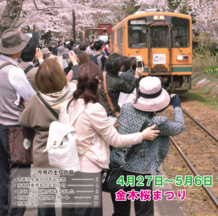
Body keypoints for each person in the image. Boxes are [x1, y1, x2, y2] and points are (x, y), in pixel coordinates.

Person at [59, 62, 160, 216]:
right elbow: (116, 141)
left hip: (67, 166)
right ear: (97, 84)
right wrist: (142, 135)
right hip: (87, 169)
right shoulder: (94, 108)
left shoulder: (66, 104)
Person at [110, 77, 185, 216]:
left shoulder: (125, 109)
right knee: (144, 213)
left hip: (119, 168)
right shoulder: (157, 122)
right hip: (141, 174)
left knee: (120, 212)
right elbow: (179, 127)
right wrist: (177, 106)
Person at [19, 54, 79, 216]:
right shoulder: (73, 95)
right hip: (69, 153)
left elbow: (24, 122)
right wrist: (75, 64)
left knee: (45, 201)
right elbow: (76, 79)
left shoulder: (36, 101)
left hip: (45, 156)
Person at [0, 29, 35, 216]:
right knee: (20, 176)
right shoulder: (14, 72)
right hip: (15, 128)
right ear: (18, 50)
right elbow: (31, 98)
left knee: (3, 175)